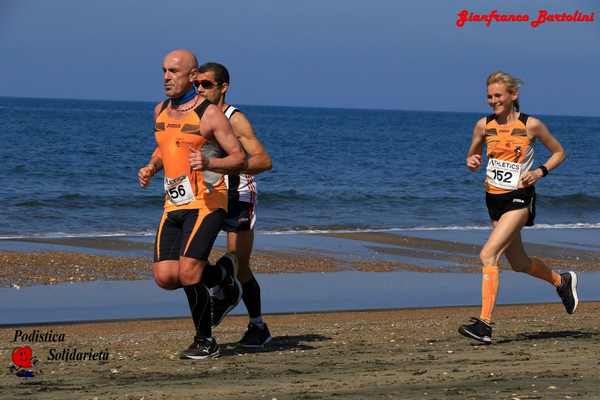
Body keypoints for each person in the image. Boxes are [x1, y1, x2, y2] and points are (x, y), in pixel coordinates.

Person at [137, 49, 245, 359]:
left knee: (188, 272)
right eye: (163, 71)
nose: (166, 77)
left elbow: (238, 158)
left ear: (193, 75)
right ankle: (223, 277)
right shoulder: (160, 110)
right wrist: (150, 167)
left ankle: (205, 341)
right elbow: (164, 148)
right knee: (165, 276)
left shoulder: (209, 114)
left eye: (173, 71)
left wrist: (210, 161)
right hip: (174, 202)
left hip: (207, 201)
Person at [459, 71, 578, 344]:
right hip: (493, 200)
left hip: (520, 198)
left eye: (498, 95)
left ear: (513, 95)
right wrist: (472, 161)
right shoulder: (483, 125)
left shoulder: (531, 125)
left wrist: (540, 172)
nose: (493, 101)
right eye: (489, 96)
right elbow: (472, 155)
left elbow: (559, 152)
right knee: (519, 263)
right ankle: (561, 282)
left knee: (488, 255)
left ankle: (484, 325)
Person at [195, 62, 273, 348]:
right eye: (196, 85)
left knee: (239, 265)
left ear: (223, 87)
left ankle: (258, 326)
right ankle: (221, 291)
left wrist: (226, 167)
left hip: (238, 194)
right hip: (206, 195)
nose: (200, 90)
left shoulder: (234, 118)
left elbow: (264, 161)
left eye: (206, 85)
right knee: (192, 259)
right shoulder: (196, 116)